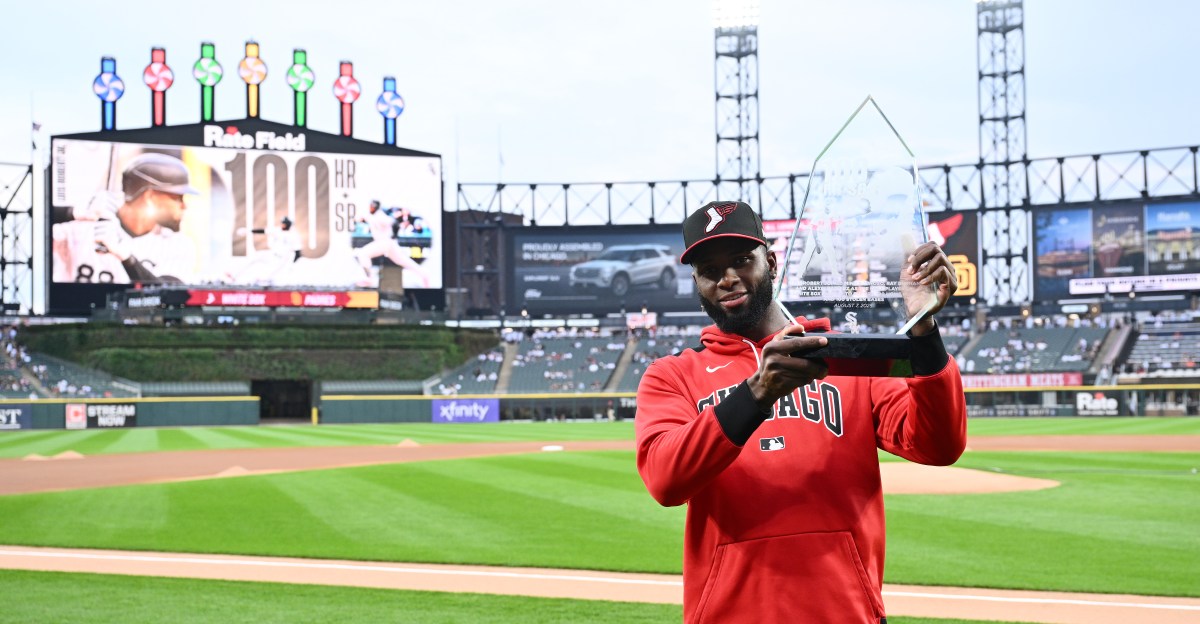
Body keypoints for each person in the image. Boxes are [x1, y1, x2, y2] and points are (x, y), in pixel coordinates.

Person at [635, 200, 967, 624]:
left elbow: (939, 445)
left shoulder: (847, 358)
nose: (728, 278)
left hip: (845, 612)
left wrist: (922, 326)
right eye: (710, 269)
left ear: (771, 262)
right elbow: (666, 480)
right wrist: (757, 391)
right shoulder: (672, 375)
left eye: (741, 260)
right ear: (697, 282)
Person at [52, 152, 198, 284]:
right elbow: (36, 225)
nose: (184, 206)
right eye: (177, 197)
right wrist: (71, 213)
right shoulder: (85, 225)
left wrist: (126, 257)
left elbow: (168, 297)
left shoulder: (177, 245)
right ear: (150, 197)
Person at [354, 200, 431, 287]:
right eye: (371, 206)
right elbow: (360, 218)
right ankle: (425, 275)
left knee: (363, 254)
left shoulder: (380, 215)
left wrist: (394, 235)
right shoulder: (369, 215)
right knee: (404, 261)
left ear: (377, 207)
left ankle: (369, 279)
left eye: (373, 206)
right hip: (388, 244)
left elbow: (395, 223)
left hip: (385, 242)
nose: (371, 208)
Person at [231, 215, 303, 286]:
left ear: (288, 225)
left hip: (280, 260)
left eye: (284, 223)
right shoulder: (278, 230)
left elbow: (298, 253)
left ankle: (264, 285)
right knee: (254, 256)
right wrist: (247, 231)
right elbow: (263, 231)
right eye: (282, 223)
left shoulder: (294, 236)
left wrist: (292, 265)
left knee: (265, 278)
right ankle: (233, 276)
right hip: (271, 255)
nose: (282, 224)